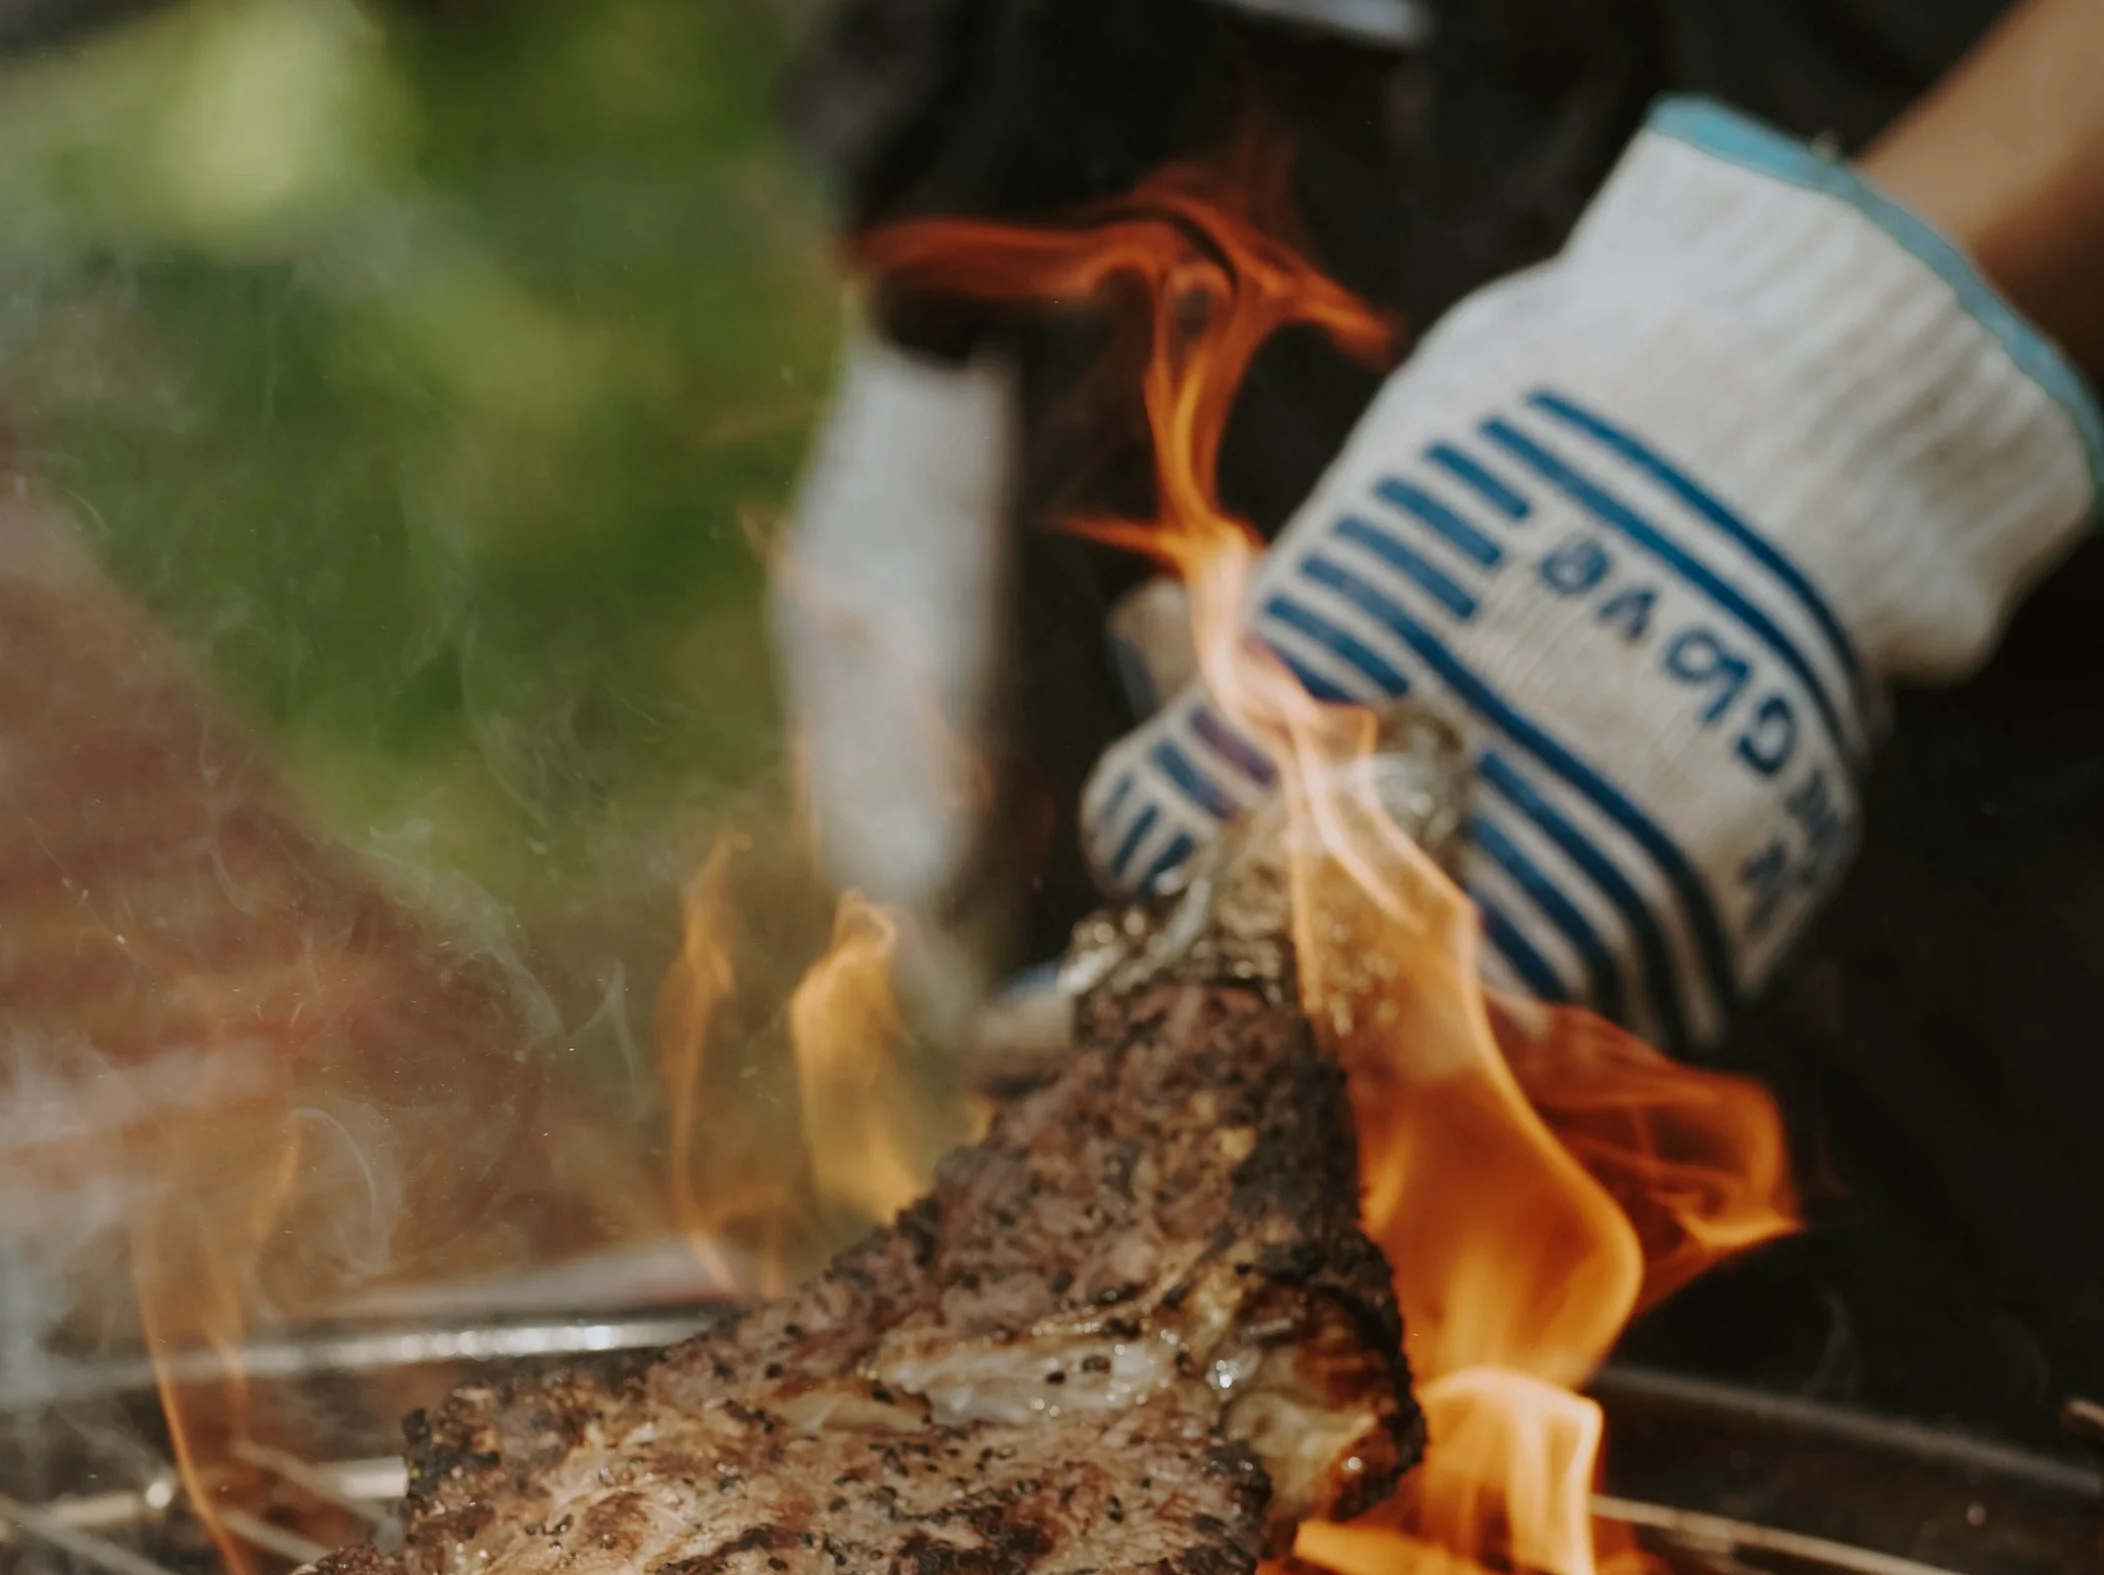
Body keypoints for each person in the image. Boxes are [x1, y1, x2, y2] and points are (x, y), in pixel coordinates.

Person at [775, 0, 2104, 1440]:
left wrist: (1817, 388)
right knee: (1166, 1306)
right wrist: (947, 278)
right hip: (1194, 238)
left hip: (1948, 236)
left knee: (1941, 1440)